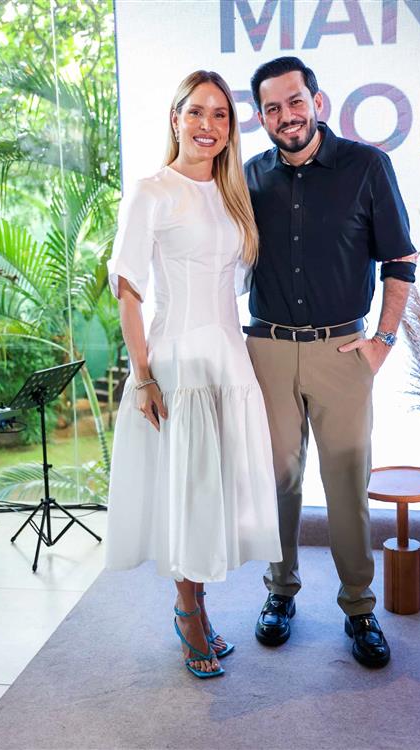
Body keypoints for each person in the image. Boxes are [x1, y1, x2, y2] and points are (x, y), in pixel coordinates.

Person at [105, 70, 282, 679]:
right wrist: (143, 377)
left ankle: (200, 607)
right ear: (175, 118)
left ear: (231, 128)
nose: (209, 125)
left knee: (214, 491)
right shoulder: (152, 191)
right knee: (190, 490)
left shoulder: (234, 195)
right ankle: (187, 613)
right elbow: (129, 291)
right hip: (179, 364)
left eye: (221, 115)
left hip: (229, 359)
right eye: (197, 112)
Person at [244, 57, 418, 668]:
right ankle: (279, 591)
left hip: (342, 350)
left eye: (295, 101)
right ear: (261, 116)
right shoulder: (248, 177)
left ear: (317, 102)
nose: (286, 116)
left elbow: (400, 260)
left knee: (345, 482)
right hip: (265, 349)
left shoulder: (367, 166)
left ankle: (359, 607)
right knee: (278, 479)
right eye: (272, 107)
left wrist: (383, 341)